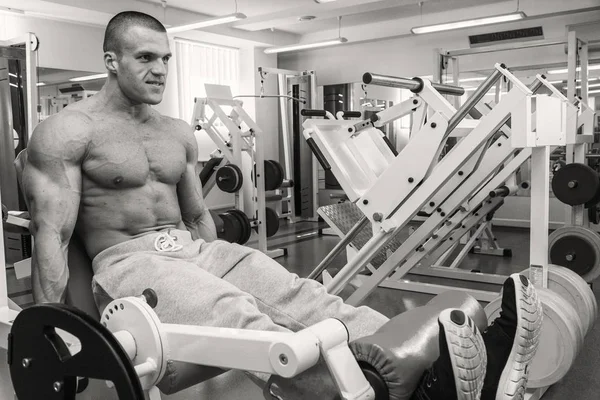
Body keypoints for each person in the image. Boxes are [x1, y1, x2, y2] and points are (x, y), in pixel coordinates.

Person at [20, 11, 541, 400]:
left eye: (165, 59)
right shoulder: (70, 130)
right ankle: (374, 388)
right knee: (237, 316)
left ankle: (458, 360)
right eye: (145, 58)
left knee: (307, 297)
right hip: (132, 261)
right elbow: (54, 235)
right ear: (111, 61)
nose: (160, 70)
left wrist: (218, 259)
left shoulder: (176, 132)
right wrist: (54, 334)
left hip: (196, 250)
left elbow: (199, 215)